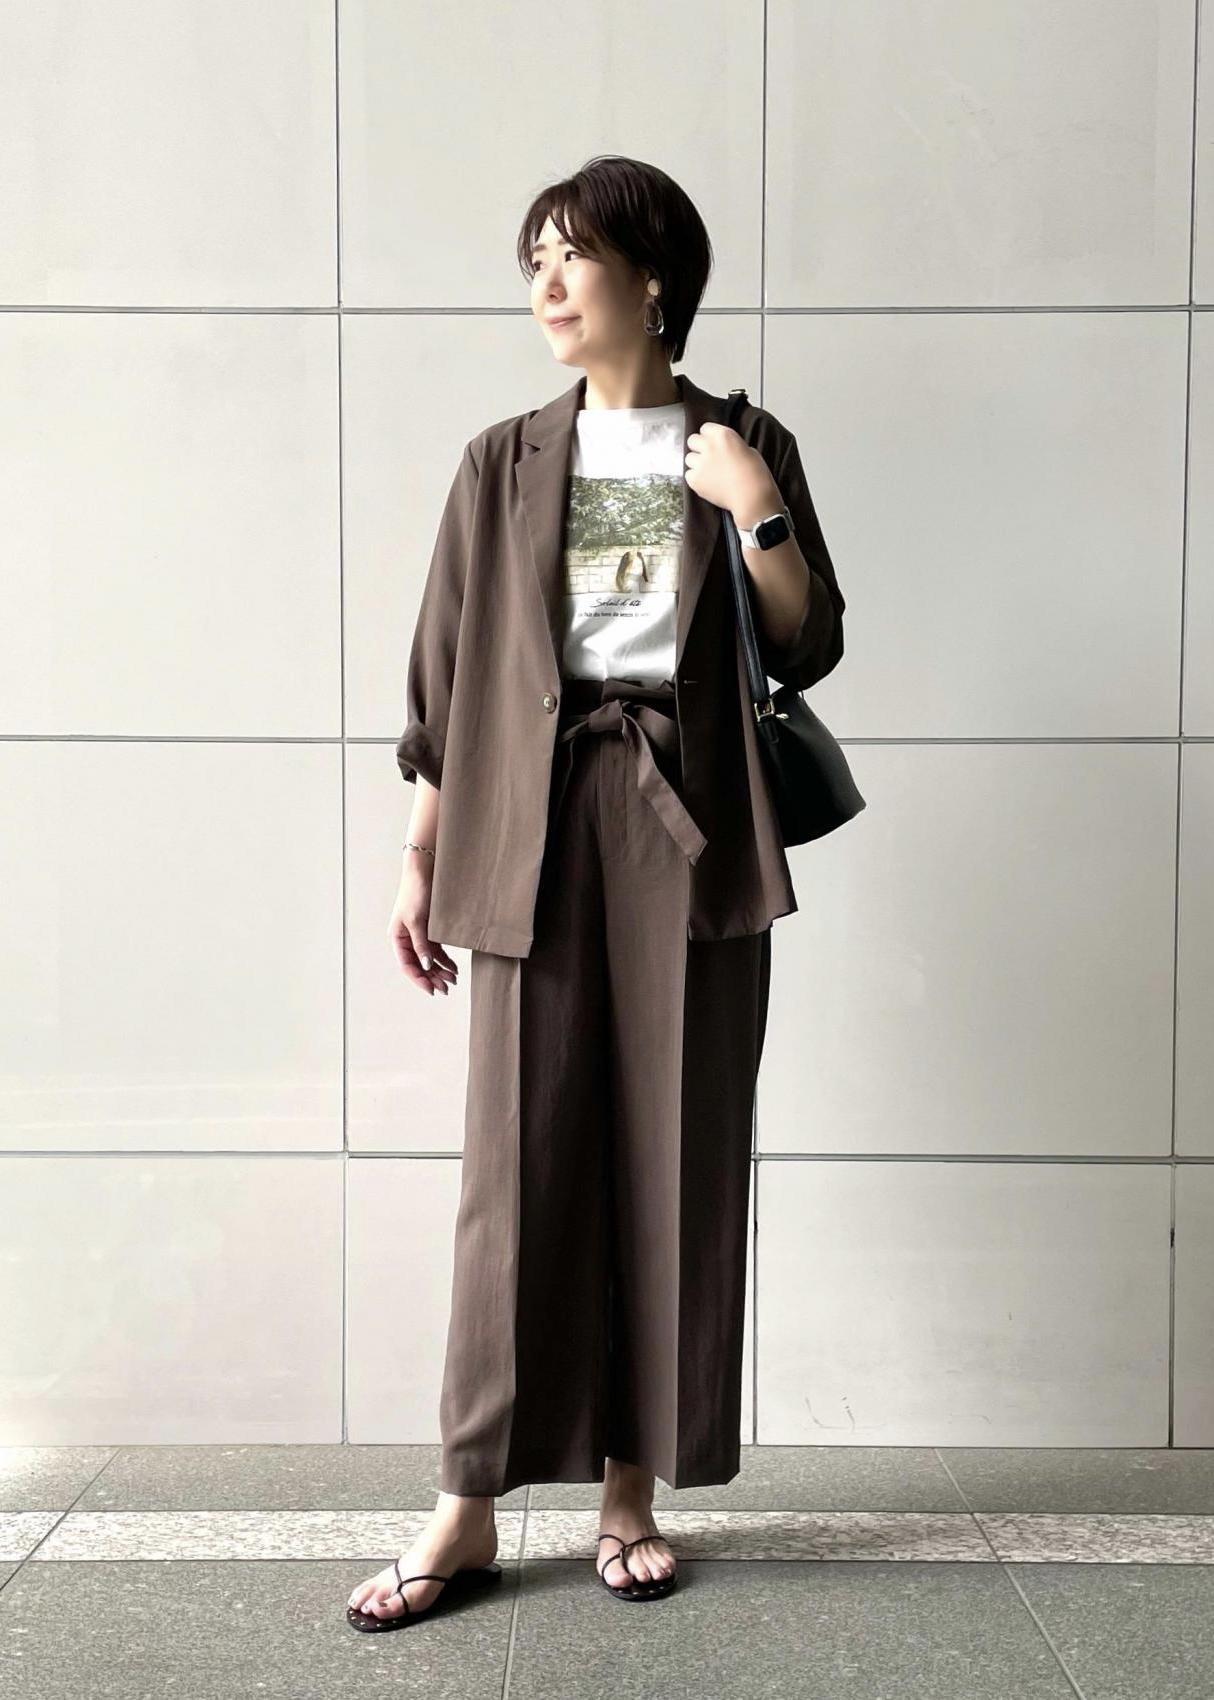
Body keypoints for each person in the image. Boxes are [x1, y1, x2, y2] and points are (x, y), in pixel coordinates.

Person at [346, 154, 846, 1630]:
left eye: (571, 257)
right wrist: (418, 854)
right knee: (515, 1171)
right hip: (530, 820)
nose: (548, 287)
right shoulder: (501, 461)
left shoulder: (744, 442)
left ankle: (632, 1489)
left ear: (652, 277)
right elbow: (447, 678)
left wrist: (756, 507)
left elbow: (806, 641)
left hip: (688, 826)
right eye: (536, 263)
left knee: (673, 1153)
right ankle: (468, 1501)